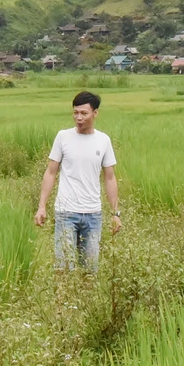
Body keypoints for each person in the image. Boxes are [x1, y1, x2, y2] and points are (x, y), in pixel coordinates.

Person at [34, 90, 121, 272]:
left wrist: (115, 213)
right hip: (66, 213)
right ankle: (63, 300)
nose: (79, 118)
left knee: (90, 270)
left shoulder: (103, 140)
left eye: (84, 113)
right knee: (64, 268)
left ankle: (86, 300)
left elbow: (110, 177)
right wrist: (42, 206)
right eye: (75, 113)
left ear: (95, 113)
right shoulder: (63, 137)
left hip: (93, 215)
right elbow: (50, 173)